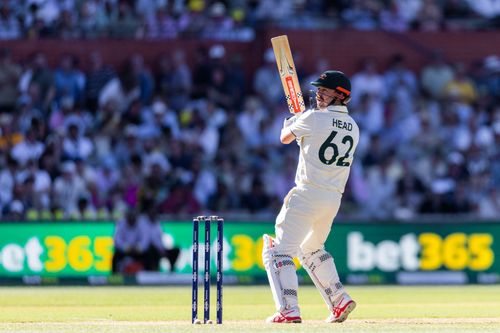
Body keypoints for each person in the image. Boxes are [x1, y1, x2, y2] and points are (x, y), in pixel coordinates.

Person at [263, 70, 360, 324]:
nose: (318, 94)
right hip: (332, 199)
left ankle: (289, 310)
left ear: (341, 95)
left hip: (307, 193)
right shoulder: (354, 127)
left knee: (278, 252)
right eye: (318, 89)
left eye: (324, 91)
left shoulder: (314, 118)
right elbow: (315, 144)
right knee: (311, 249)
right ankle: (339, 300)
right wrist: (302, 122)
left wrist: (292, 122)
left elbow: (284, 138)